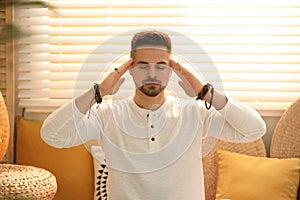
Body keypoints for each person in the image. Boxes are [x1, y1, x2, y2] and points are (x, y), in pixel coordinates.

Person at [41, 30, 266, 200]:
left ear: (171, 69)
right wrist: (98, 92)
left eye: (160, 65)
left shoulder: (194, 113)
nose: (152, 73)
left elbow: (254, 130)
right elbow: (52, 135)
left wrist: (205, 93)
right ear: (130, 68)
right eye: (143, 65)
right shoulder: (107, 114)